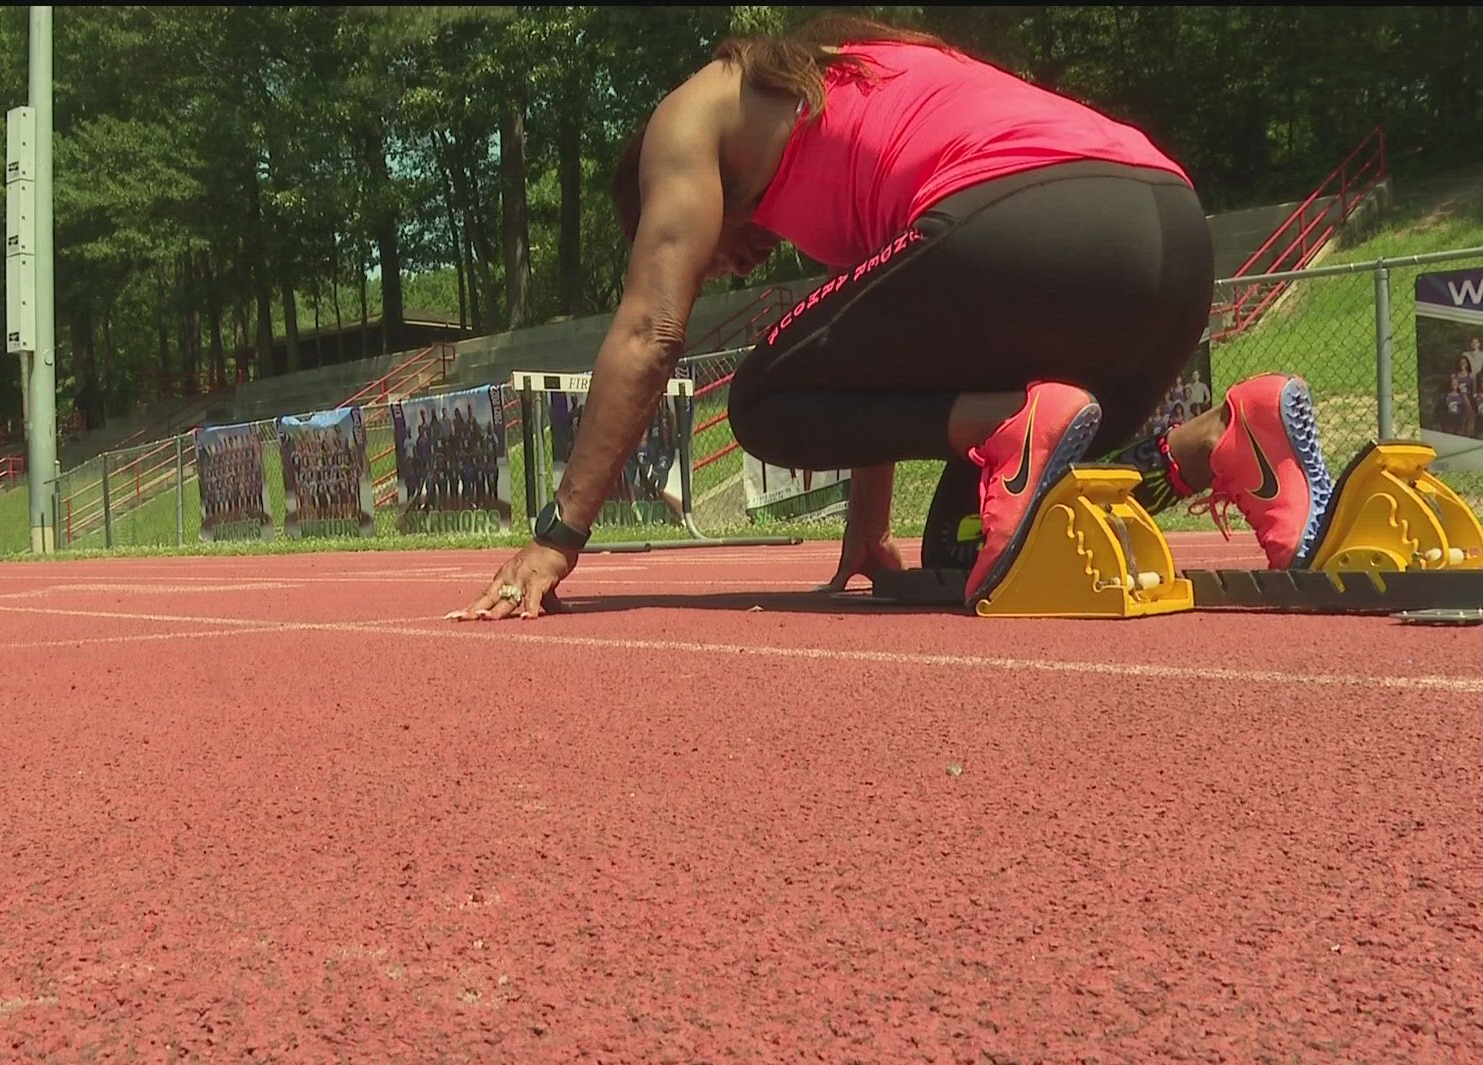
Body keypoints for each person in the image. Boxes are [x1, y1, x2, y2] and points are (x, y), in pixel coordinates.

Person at [453, 14, 1334, 621]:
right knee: (969, 548)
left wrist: (558, 537)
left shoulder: (692, 115)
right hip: (1170, 235)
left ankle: (1007, 425)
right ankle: (1225, 442)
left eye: (703, 246)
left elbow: (650, 335)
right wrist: (870, 534)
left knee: (761, 399)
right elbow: (877, 354)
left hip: (1027, 220)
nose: (726, 263)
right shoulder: (854, 86)